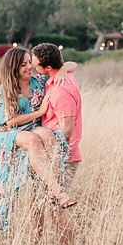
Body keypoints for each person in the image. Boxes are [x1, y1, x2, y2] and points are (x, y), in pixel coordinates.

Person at [0, 48, 78, 236]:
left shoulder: (39, 82)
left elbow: (72, 65)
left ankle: (51, 186)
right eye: (23, 65)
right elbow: (10, 121)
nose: (29, 67)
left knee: (47, 134)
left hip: (33, 129)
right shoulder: (5, 90)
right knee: (32, 138)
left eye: (29, 62)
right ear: (13, 67)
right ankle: (57, 189)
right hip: (10, 133)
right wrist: (39, 113)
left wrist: (63, 69)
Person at [31, 43, 84, 192]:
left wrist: (51, 158)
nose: (34, 69)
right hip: (52, 156)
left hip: (61, 158)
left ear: (48, 68)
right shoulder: (62, 76)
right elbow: (72, 64)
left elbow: (66, 130)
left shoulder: (61, 90)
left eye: (36, 66)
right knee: (46, 204)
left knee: (56, 205)